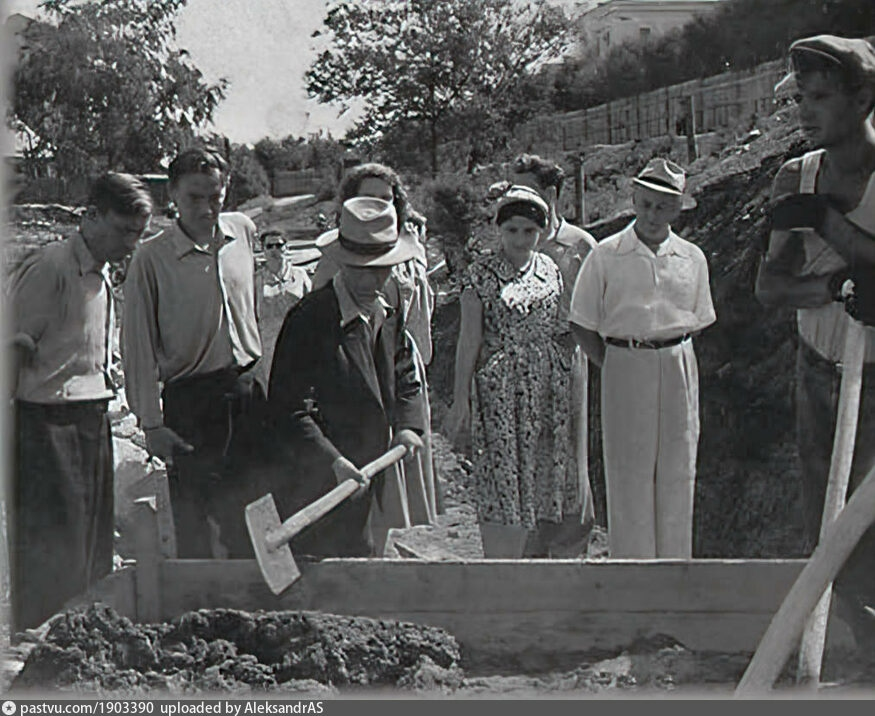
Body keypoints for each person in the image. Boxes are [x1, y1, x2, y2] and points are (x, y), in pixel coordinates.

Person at [755, 34, 875, 648]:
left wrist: (826, 221)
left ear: (863, 98)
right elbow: (770, 287)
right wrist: (831, 285)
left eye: (820, 97)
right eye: (799, 98)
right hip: (820, 373)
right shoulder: (794, 178)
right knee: (828, 530)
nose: (804, 112)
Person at [8, 172, 152, 634]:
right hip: (46, 426)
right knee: (54, 553)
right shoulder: (50, 267)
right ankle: (39, 646)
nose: (131, 244)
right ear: (91, 216)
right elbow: (13, 350)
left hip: (91, 420)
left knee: (91, 551)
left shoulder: (103, 272)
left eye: (138, 234)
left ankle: (83, 644)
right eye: (123, 230)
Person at [569, 158, 716, 559]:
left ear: (678, 209)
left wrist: (669, 353)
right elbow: (581, 322)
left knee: (679, 465)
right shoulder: (606, 254)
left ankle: (674, 569)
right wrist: (616, 363)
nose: (653, 215)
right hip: (624, 361)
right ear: (634, 200)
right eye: (646, 204)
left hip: (678, 362)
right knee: (629, 470)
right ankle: (633, 570)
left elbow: (699, 319)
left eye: (663, 207)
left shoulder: (692, 257)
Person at [122, 147, 263, 559]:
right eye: (193, 198)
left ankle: (257, 594)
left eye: (214, 197)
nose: (205, 208)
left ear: (227, 190)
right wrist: (151, 423)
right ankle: (201, 597)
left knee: (256, 510)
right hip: (192, 403)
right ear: (172, 195)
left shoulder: (242, 232)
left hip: (248, 392)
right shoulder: (151, 258)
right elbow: (137, 345)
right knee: (196, 520)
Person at [266, 196, 426, 558]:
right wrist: (332, 461)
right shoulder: (309, 319)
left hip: (369, 475)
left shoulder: (388, 313)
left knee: (364, 561)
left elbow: (405, 373)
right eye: (361, 269)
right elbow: (288, 409)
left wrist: (408, 425)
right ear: (341, 262)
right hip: (317, 480)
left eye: (382, 269)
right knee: (322, 573)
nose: (372, 280)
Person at [445, 185, 588, 558]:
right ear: (499, 229)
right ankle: (501, 557)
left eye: (529, 230)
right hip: (501, 388)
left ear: (541, 231)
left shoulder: (550, 269)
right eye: (512, 230)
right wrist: (461, 399)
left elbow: (562, 325)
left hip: (547, 386)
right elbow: (469, 339)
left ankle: (534, 555)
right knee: (504, 472)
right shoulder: (480, 274)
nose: (521, 239)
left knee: (542, 472)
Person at [312, 163, 439, 555]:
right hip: (354, 381)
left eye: (386, 199)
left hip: (399, 373)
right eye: (368, 199)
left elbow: (418, 318)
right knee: (359, 495)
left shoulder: (410, 251)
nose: (379, 206)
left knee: (391, 488)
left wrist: (409, 415)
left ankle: (378, 552)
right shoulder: (335, 264)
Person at [511, 153, 599, 553]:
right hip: (517, 367)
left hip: (566, 363)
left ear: (550, 194)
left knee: (568, 456)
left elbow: (595, 313)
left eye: (525, 189)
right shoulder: (510, 241)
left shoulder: (579, 245)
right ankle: (527, 549)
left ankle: (570, 548)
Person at [254, 231, 313, 387]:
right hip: (269, 343)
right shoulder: (256, 280)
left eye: (279, 245)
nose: (274, 250)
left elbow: (313, 307)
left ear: (286, 248)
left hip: (298, 340)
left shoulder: (300, 275)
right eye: (269, 246)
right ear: (263, 249)